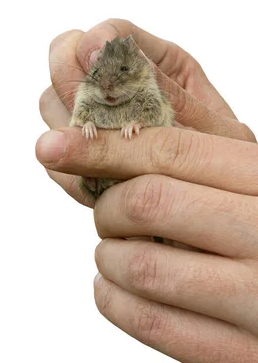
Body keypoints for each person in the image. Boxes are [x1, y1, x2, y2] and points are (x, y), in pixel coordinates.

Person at [35, 19, 258, 361]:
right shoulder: (91, 92)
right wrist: (87, 123)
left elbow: (157, 110)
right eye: (100, 76)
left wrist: (138, 122)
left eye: (122, 72)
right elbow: (80, 113)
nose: (109, 86)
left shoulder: (148, 91)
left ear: (139, 67)